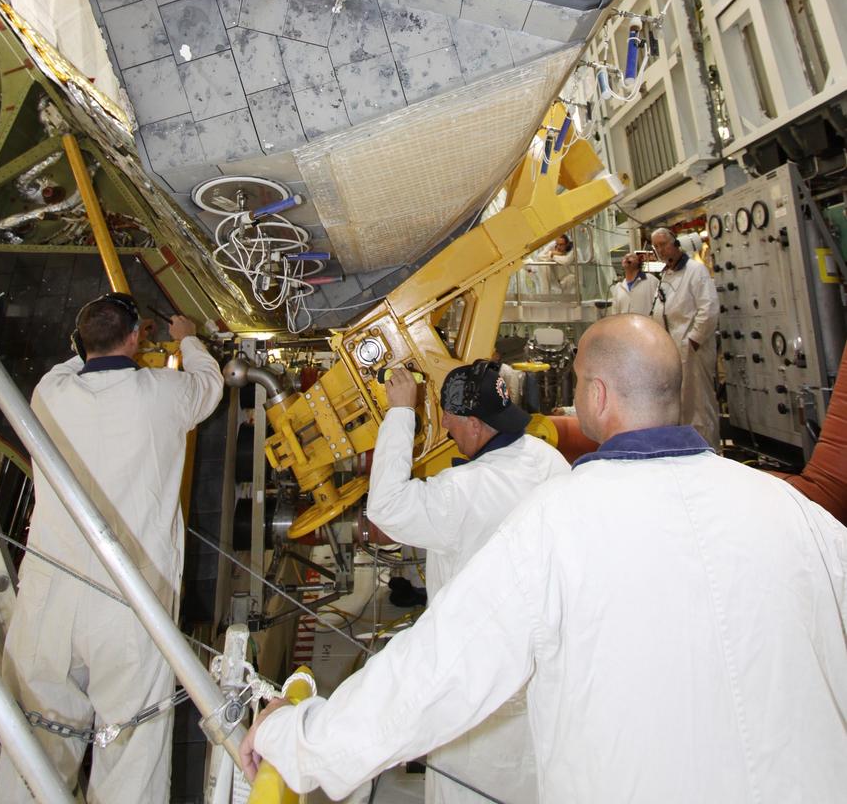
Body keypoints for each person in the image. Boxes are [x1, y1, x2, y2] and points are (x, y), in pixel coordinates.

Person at [241, 315, 847, 804]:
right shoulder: (797, 515)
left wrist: (298, 741)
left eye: (580, 380)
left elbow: (433, 673)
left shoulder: (558, 523)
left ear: (599, 394)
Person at [0, 293, 224, 804]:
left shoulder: (47, 394)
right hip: (128, 599)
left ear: (80, 342)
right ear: (138, 336)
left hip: (50, 597)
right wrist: (187, 338)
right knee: (132, 752)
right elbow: (210, 385)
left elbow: (77, 359)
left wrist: (96, 339)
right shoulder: (161, 394)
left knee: (34, 749)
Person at [363, 359, 568, 803]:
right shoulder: (551, 463)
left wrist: (401, 413)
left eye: (450, 420)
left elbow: (386, 507)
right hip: (540, 683)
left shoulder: (461, 492)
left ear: (474, 424)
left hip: (475, 697)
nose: (447, 429)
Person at [650, 225, 720, 448]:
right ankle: (685, 450)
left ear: (676, 244)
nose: (660, 250)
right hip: (671, 348)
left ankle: (707, 449)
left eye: (663, 244)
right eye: (656, 246)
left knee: (698, 404)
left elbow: (708, 307)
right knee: (679, 404)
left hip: (692, 348)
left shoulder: (695, 271)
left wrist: (694, 339)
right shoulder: (666, 274)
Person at [609, 251, 659, 316]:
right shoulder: (618, 287)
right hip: (625, 325)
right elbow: (615, 313)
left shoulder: (650, 280)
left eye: (631, 257)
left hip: (646, 324)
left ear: (639, 262)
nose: (626, 258)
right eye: (624, 258)